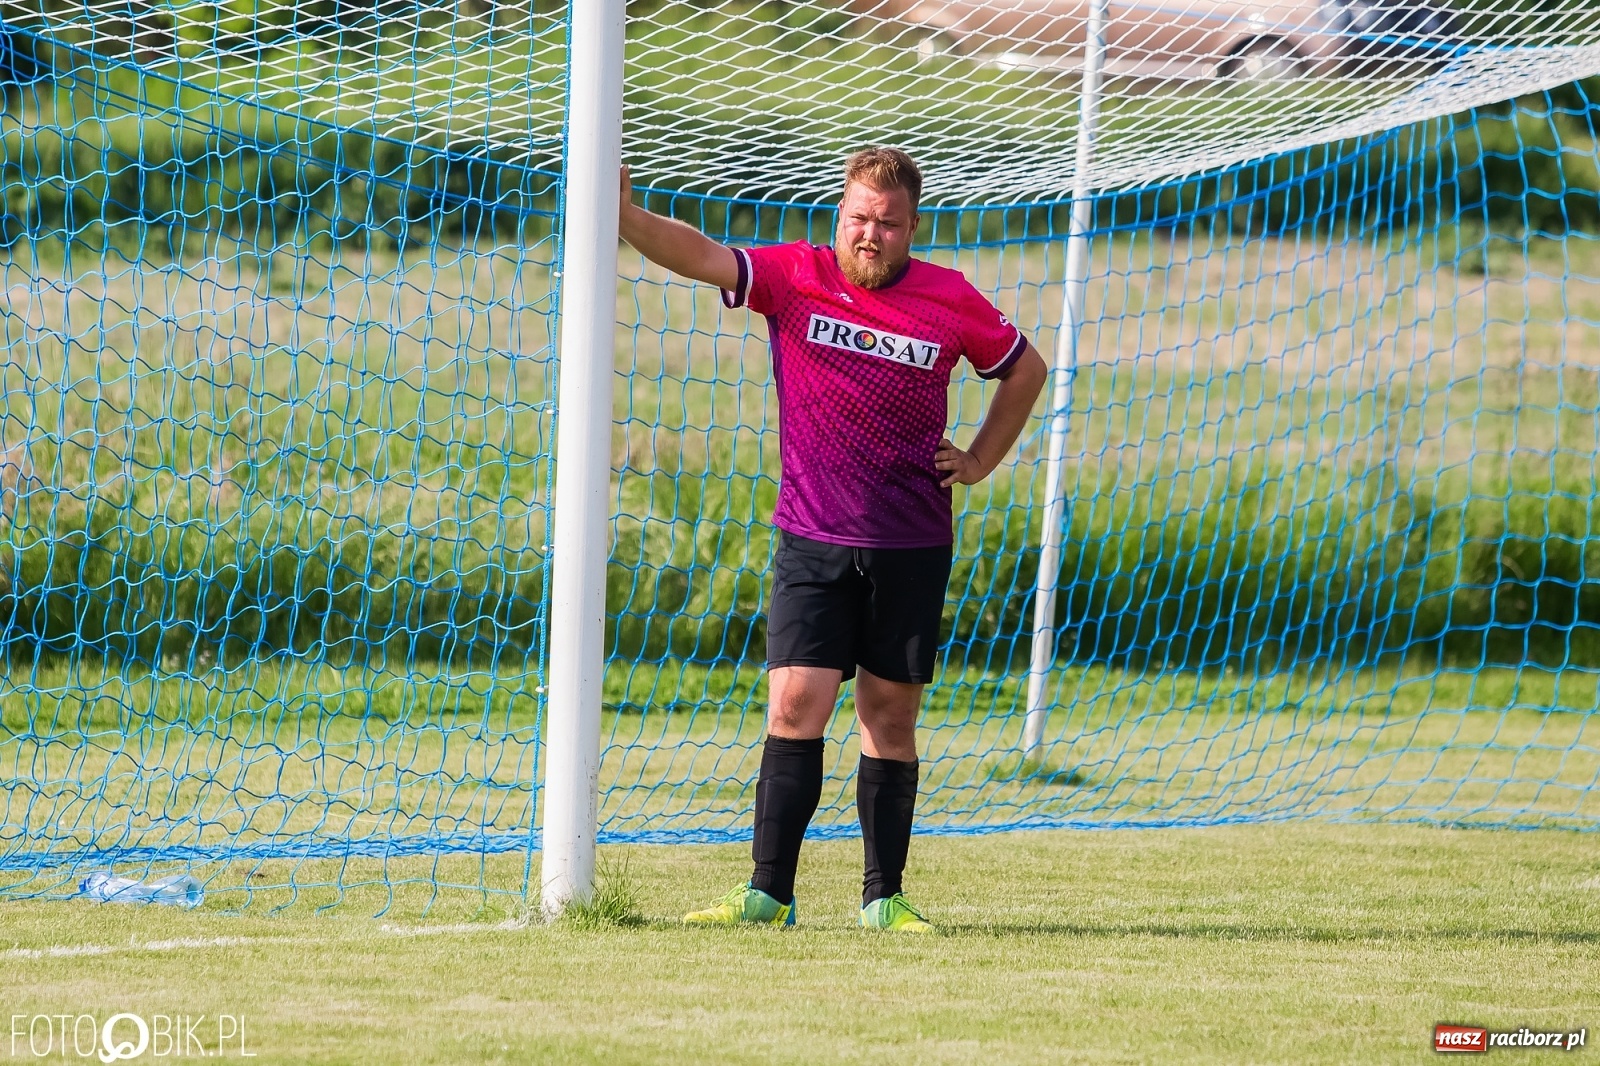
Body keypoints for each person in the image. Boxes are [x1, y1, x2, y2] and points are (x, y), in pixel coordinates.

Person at [618, 147, 1048, 932]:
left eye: (887, 223)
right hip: (811, 533)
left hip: (911, 540)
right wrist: (626, 218)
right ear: (838, 217)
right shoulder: (796, 275)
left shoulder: (950, 298)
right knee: (795, 701)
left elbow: (1025, 371)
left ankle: (884, 898)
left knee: (888, 716)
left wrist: (981, 459)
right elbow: (705, 256)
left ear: (914, 226)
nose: (870, 235)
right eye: (858, 218)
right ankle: (767, 895)